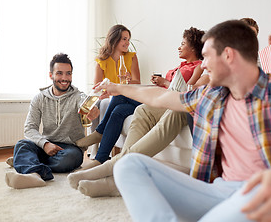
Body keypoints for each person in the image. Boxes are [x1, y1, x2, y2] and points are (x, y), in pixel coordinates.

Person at [98, 20, 271, 221]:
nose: (203, 64)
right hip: (219, 191)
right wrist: (116, 88)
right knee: (128, 165)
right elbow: (160, 96)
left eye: (207, 56)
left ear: (228, 55)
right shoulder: (211, 96)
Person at [68, 27, 205, 197]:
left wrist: (163, 82)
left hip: (176, 102)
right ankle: (119, 171)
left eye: (183, 44)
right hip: (164, 99)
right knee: (135, 110)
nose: (179, 47)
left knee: (120, 98)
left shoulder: (200, 67)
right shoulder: (181, 66)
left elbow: (189, 91)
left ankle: (111, 164)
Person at [5, 53, 99, 189]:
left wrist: (92, 110)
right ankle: (34, 175)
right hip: (46, 145)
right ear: (51, 75)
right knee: (22, 144)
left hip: (70, 148)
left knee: (69, 159)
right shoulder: (39, 98)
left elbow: (85, 103)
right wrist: (45, 144)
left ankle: (27, 162)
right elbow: (29, 128)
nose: (65, 78)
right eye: (59, 73)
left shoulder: (79, 96)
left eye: (68, 74)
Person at [76, 24, 141, 170]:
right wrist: (107, 90)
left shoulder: (132, 57)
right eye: (124, 39)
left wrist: (128, 80)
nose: (127, 43)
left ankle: (99, 132)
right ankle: (100, 160)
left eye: (128, 39)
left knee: (118, 94)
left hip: (129, 96)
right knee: (118, 109)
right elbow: (98, 86)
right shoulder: (101, 61)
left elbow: (138, 83)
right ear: (115, 39)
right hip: (118, 100)